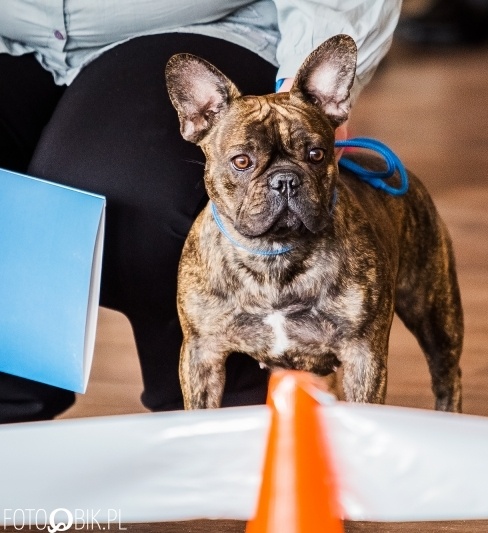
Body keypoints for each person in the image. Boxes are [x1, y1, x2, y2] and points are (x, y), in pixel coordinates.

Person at [0, 0, 401, 423]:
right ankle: (13, 409)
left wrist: (299, 99)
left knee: (130, 193)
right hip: (14, 40)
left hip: (209, 26)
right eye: (245, 162)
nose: (283, 182)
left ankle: (218, 414)